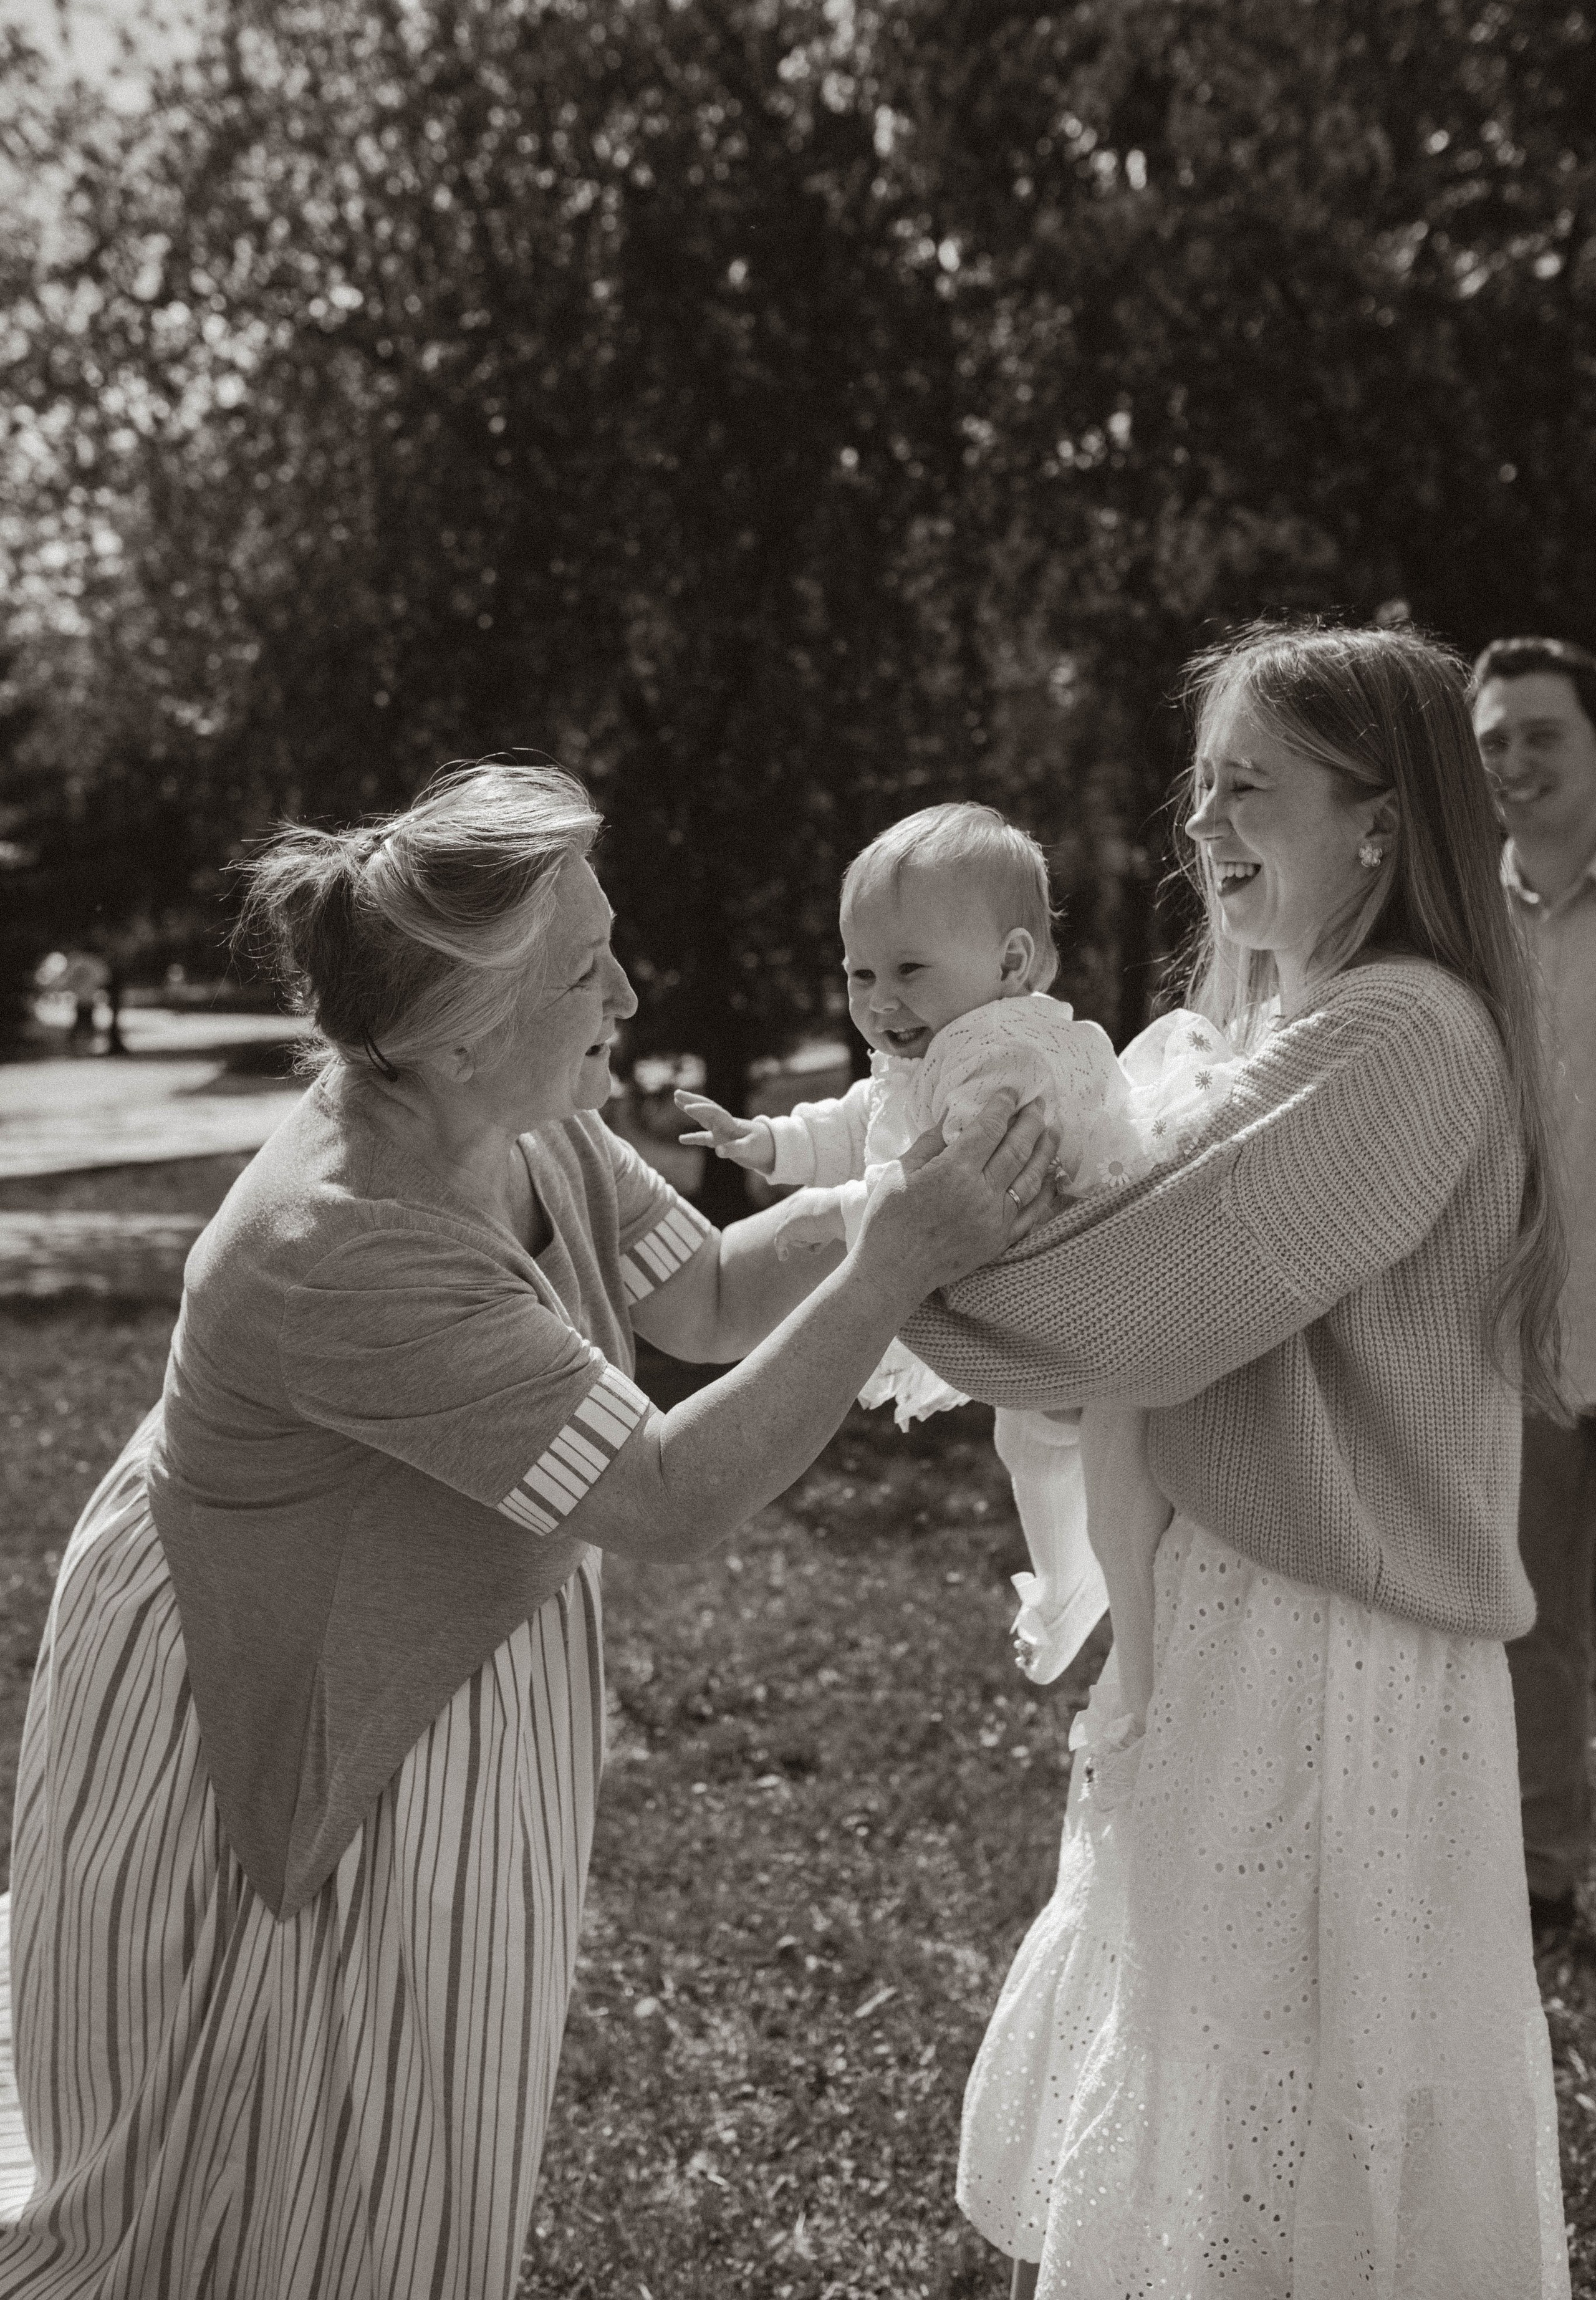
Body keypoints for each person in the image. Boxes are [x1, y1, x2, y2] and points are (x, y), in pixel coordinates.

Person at [0, 762, 1055, 2300]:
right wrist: (891, 1269)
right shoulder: (345, 1240)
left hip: (442, 1620)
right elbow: (671, 1498)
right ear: (455, 1023)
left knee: (404, 2114)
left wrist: (885, 1200)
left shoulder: (520, 1117)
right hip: (283, 1657)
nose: (629, 990)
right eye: (587, 967)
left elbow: (694, 1295)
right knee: (263, 2136)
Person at [903, 624, 1570, 2299]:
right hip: (1264, 1609)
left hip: (1336, 1646)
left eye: (1248, 791)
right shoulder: (1313, 1014)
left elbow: (1141, 1300)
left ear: (1379, 821)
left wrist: (888, 1284)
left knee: (1278, 2097)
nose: (1205, 829)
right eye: (1200, 789)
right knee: (1227, 2079)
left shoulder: (1405, 1035)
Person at [676, 801, 1241, 1727]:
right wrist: (771, 1142)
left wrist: (838, 1210)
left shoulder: (1004, 1057)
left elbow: (954, 1178)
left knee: (1078, 1451)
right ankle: (1086, 1588)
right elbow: (872, 1112)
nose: (879, 999)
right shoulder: (942, 1043)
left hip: (1095, 1285)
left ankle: (1092, 1600)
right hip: (1050, 1295)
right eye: (861, 972)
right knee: (1049, 1442)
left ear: (1012, 964)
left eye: (906, 970)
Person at [1473, 635, 1596, 1940]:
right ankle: (1543, 1880)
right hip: (1528, 1337)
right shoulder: (1459, 924)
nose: (1512, 761)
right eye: (1491, 740)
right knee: (1534, 1626)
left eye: (1540, 733)